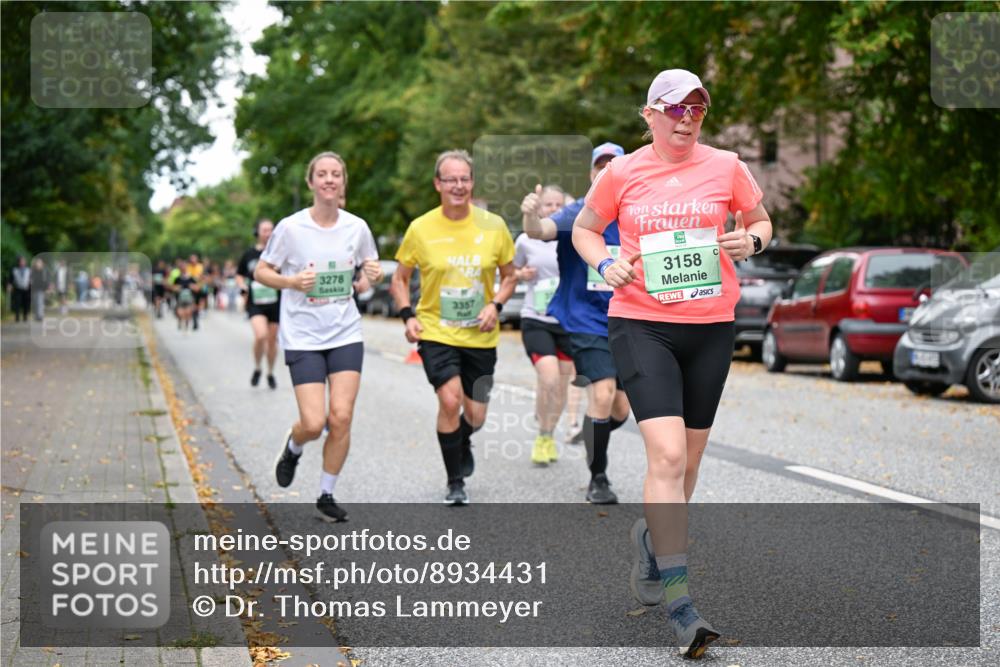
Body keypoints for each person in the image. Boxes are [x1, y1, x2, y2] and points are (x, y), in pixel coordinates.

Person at [573, 69, 772, 658]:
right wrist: (606, 261)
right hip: (641, 323)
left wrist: (752, 241)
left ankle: (651, 542)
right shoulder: (622, 172)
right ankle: (683, 606)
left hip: (710, 327)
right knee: (664, 454)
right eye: (676, 108)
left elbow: (761, 222)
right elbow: (586, 229)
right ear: (651, 113)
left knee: (687, 463)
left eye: (698, 108)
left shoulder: (729, 166)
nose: (688, 117)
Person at [254, 151, 383, 522]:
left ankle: (326, 492)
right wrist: (291, 282)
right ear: (311, 182)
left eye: (336, 174)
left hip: (344, 331)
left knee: (341, 417)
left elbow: (363, 278)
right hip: (303, 336)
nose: (329, 179)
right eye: (322, 174)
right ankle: (294, 447)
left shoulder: (357, 228)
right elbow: (262, 272)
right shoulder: (291, 228)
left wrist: (370, 276)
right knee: (314, 422)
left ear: (343, 183)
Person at [391, 149, 517, 505]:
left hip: (480, 333)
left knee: (475, 415)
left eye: (464, 179)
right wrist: (407, 315)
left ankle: (463, 438)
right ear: (437, 184)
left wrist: (496, 305)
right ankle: (454, 481)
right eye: (451, 180)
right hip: (436, 331)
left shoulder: (493, 227)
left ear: (472, 183)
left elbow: (509, 277)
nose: (458, 186)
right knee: (449, 401)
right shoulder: (421, 228)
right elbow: (399, 279)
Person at [521, 142, 632, 505]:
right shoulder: (578, 212)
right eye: (600, 166)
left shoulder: (636, 213)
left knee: (620, 408)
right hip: (586, 320)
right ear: (591, 173)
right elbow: (539, 230)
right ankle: (598, 477)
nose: (606, 171)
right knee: (601, 392)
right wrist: (530, 216)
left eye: (614, 165)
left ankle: (592, 430)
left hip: (628, 319)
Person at [513, 184, 576, 465]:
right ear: (539, 208)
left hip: (566, 320)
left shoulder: (574, 236)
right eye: (547, 205)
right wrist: (520, 274)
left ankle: (548, 433)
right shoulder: (526, 240)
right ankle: (541, 434)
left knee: (561, 385)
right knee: (548, 378)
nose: (553, 209)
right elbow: (509, 271)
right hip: (536, 318)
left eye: (557, 205)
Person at [237, 220, 281, 388]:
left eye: (271, 230)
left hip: (275, 302)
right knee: (260, 335)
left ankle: (269, 372)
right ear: (257, 232)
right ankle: (257, 367)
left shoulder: (280, 253)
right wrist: (242, 286)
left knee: (272, 340)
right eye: (265, 230)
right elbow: (239, 274)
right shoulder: (249, 254)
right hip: (256, 302)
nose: (268, 233)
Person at [171, 259, 200, 332]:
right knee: (180, 313)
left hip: (189, 298)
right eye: (182, 267)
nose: (183, 269)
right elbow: (173, 288)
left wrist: (192, 287)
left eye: (184, 267)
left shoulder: (191, 278)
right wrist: (177, 288)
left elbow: (197, 288)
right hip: (180, 298)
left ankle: (187, 325)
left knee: (188, 312)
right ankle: (180, 320)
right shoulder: (177, 279)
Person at [9, 256, 31, 322]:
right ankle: (17, 316)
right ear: (18, 262)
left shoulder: (28, 270)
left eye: (23, 261)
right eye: (21, 261)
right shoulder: (14, 269)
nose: (22, 263)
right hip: (17, 288)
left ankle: (25, 316)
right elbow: (10, 279)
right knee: (17, 303)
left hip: (27, 289)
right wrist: (9, 285)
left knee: (26, 303)